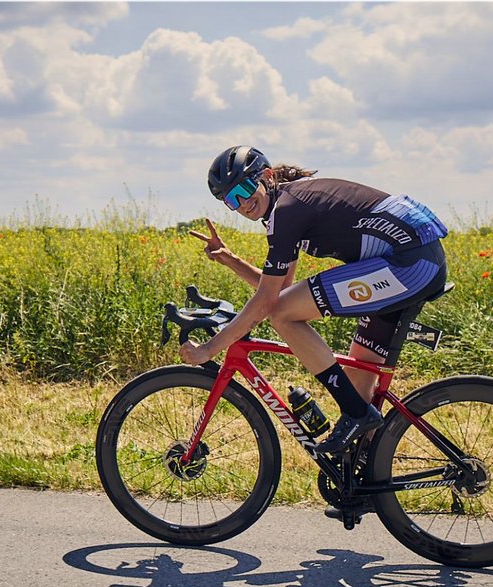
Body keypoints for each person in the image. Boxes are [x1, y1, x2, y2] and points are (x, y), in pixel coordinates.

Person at [180, 145, 449, 457]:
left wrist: (209, 349)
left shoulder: (287, 210)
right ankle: (361, 484)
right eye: (230, 200)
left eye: (243, 189)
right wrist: (230, 260)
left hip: (410, 266)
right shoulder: (286, 205)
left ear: (266, 176)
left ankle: (357, 414)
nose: (241, 203)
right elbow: (281, 288)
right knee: (357, 383)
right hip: (410, 263)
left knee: (281, 315)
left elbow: (270, 302)